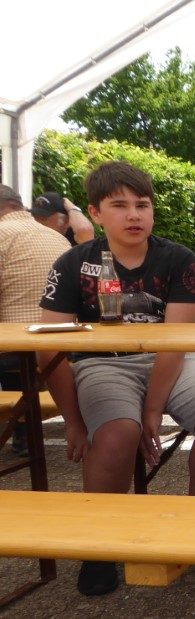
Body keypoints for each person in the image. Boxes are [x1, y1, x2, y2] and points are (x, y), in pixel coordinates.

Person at [37, 161, 195, 596]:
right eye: (119, 205)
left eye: (142, 205)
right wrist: (73, 422)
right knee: (116, 433)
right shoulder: (72, 263)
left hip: (175, 358)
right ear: (95, 212)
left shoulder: (179, 258)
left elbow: (175, 341)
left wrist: (152, 411)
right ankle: (100, 546)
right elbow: (49, 347)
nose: (133, 215)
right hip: (101, 363)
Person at [0, 184, 73, 456]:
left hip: (16, 351)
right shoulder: (58, 238)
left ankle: (22, 431)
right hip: (65, 347)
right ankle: (24, 433)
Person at [29, 190, 95, 246]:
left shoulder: (75, 238)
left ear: (66, 221)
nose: (38, 223)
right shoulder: (31, 237)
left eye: (44, 219)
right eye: (36, 218)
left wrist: (73, 209)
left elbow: (85, 232)